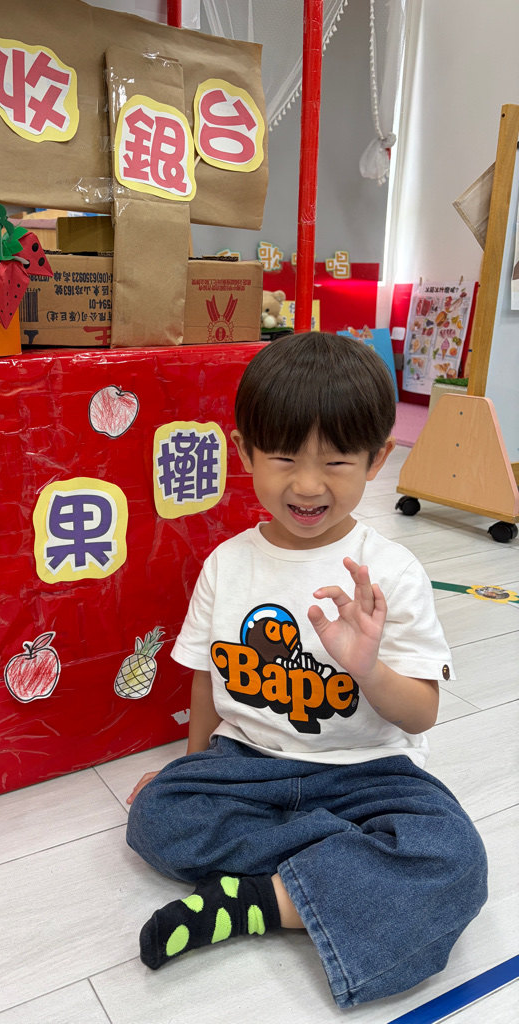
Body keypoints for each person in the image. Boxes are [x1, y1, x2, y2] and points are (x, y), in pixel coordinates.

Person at [126, 332, 487, 1009]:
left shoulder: (392, 572)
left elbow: (421, 713)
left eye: (337, 461)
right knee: (155, 816)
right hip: (248, 763)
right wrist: (192, 768)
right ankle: (341, 867)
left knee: (457, 861)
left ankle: (257, 903)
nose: (308, 485)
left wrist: (368, 669)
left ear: (379, 459)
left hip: (369, 775)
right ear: (245, 453)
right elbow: (205, 679)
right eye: (284, 457)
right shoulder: (227, 563)